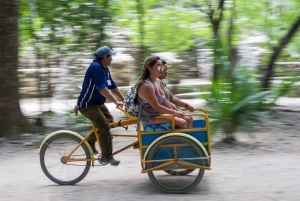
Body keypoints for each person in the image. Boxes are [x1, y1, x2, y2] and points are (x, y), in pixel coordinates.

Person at [74, 46, 124, 166]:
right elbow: (102, 89)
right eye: (111, 56)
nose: (112, 59)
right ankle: (107, 157)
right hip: (87, 105)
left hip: (98, 104)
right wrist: (115, 101)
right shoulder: (96, 67)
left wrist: (122, 98)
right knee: (104, 126)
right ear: (105, 57)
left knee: (109, 122)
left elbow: (111, 85)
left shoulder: (105, 68)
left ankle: (90, 143)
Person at [136, 56, 187, 128]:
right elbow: (157, 107)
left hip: (157, 114)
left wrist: (174, 113)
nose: (161, 70)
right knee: (183, 122)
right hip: (148, 118)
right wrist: (175, 113)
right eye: (158, 67)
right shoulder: (146, 86)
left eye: (161, 67)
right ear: (150, 69)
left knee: (186, 118)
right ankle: (183, 139)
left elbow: (164, 99)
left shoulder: (157, 81)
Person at [158, 60, 195, 128]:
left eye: (167, 69)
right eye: (164, 69)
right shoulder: (155, 83)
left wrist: (186, 105)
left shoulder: (162, 83)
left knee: (189, 118)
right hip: (164, 112)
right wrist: (176, 111)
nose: (166, 71)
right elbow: (164, 101)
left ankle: (187, 137)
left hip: (169, 110)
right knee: (186, 119)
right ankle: (185, 138)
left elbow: (172, 98)